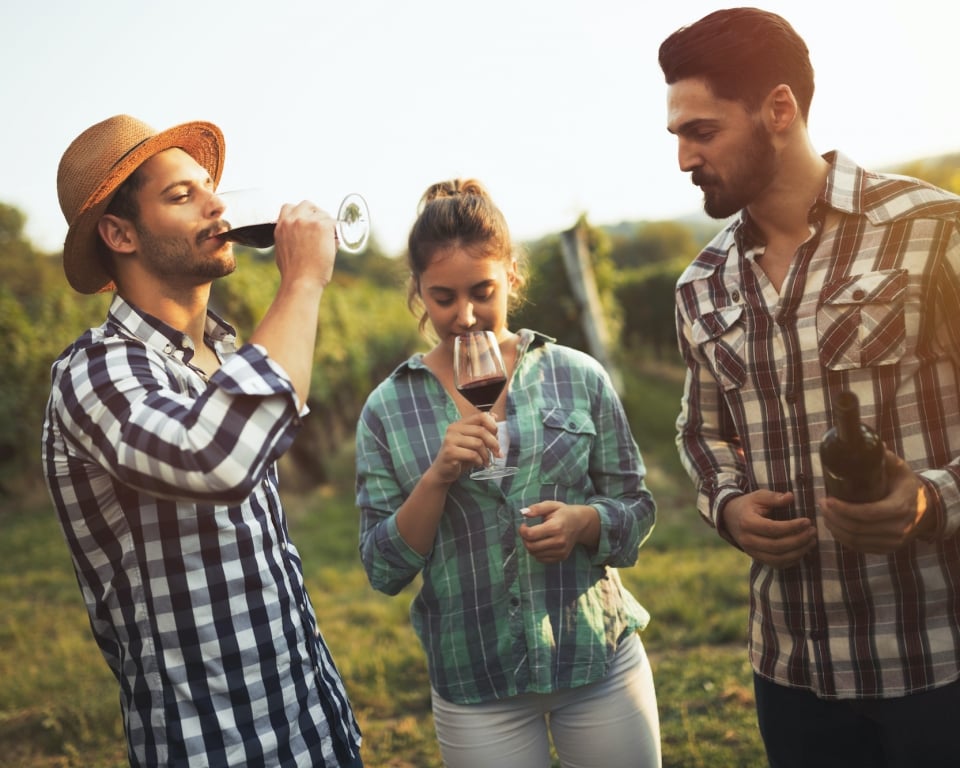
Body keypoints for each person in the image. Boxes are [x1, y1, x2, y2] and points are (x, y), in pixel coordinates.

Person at [660, 8, 960, 767]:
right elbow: (700, 434)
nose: (685, 158)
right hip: (791, 671)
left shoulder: (930, 231)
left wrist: (929, 500)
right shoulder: (701, 284)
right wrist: (726, 505)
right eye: (678, 137)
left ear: (780, 109)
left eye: (702, 131)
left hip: (939, 660)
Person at [42, 114, 363, 767]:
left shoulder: (225, 356)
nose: (217, 204)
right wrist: (302, 282)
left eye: (208, 186)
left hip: (314, 729)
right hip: (216, 749)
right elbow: (216, 459)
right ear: (120, 233)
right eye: (182, 195)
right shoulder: (96, 373)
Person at [354, 178, 661, 768]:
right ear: (417, 291)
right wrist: (438, 476)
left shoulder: (577, 375)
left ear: (512, 276)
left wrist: (584, 523)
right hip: (476, 686)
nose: (465, 317)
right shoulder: (388, 408)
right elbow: (383, 567)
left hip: (595, 657)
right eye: (443, 298)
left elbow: (637, 508)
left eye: (482, 291)